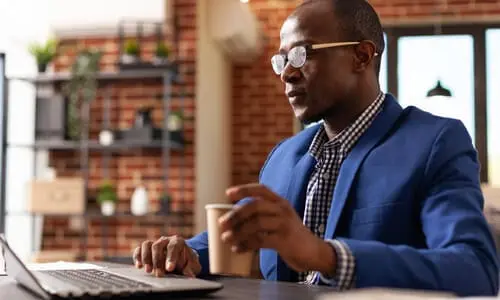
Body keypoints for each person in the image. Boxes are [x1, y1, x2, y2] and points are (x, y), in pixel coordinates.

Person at [132, 0, 499, 296]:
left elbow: (475, 270)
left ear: (361, 56)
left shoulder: (434, 142)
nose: (286, 74)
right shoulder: (284, 156)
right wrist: (185, 252)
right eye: (282, 60)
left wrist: (325, 256)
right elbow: (235, 231)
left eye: (302, 55)